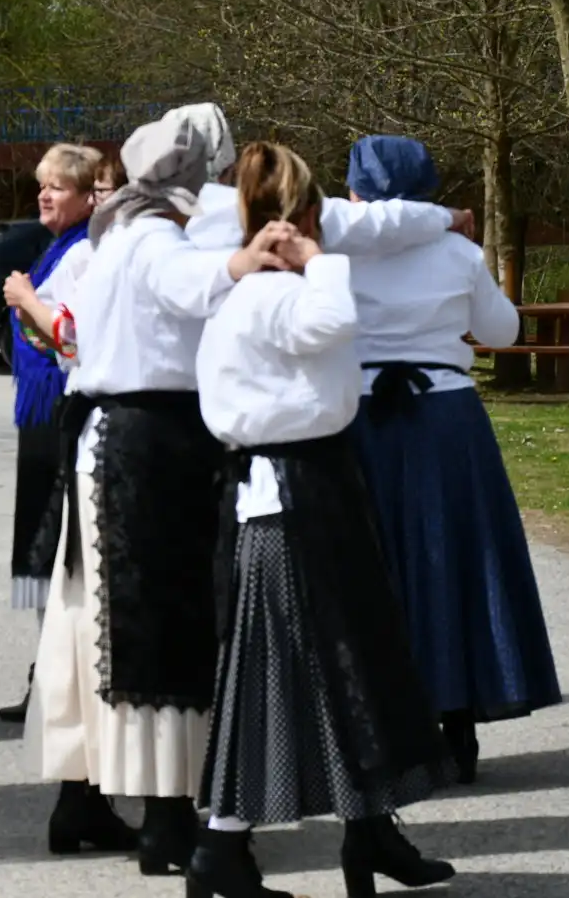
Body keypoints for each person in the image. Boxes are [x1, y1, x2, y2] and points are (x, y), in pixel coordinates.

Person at [28, 104, 301, 878]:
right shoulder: (150, 235)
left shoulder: (113, 230)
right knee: (158, 626)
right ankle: (167, 820)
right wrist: (246, 263)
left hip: (114, 437)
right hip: (147, 448)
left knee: (95, 624)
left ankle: (81, 799)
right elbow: (188, 285)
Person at [192, 142, 456, 898]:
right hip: (289, 501)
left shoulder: (256, 293)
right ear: (303, 215)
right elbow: (331, 324)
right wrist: (319, 259)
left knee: (353, 661)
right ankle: (221, 849)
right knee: (287, 668)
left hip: (312, 486)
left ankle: (368, 827)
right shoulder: (276, 296)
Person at [342, 135, 561, 784]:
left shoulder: (333, 250)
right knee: (457, 559)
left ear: (358, 191)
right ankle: (458, 724)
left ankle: (378, 728)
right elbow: (503, 332)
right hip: (445, 415)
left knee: (374, 564)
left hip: (362, 416)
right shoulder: (459, 252)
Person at [0, 144, 105, 724]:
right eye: (42, 184)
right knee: (42, 547)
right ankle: (46, 676)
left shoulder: (85, 252)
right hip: (40, 412)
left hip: (62, 409)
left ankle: (60, 683)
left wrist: (24, 298)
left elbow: (71, 335)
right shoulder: (57, 247)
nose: (45, 194)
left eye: (59, 187)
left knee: (57, 549)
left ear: (89, 197)